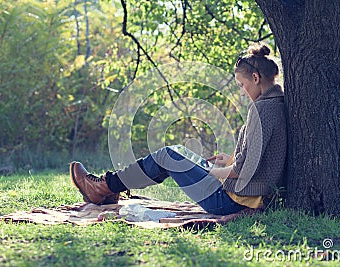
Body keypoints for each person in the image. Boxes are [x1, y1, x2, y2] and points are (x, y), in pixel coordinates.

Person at [70, 44, 287, 215]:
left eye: (241, 85)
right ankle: (109, 189)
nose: (241, 92)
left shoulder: (263, 109)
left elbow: (244, 170)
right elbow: (257, 159)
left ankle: (103, 188)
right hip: (237, 195)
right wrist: (228, 160)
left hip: (231, 201)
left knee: (168, 155)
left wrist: (212, 172)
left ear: (256, 78)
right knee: (174, 154)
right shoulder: (273, 105)